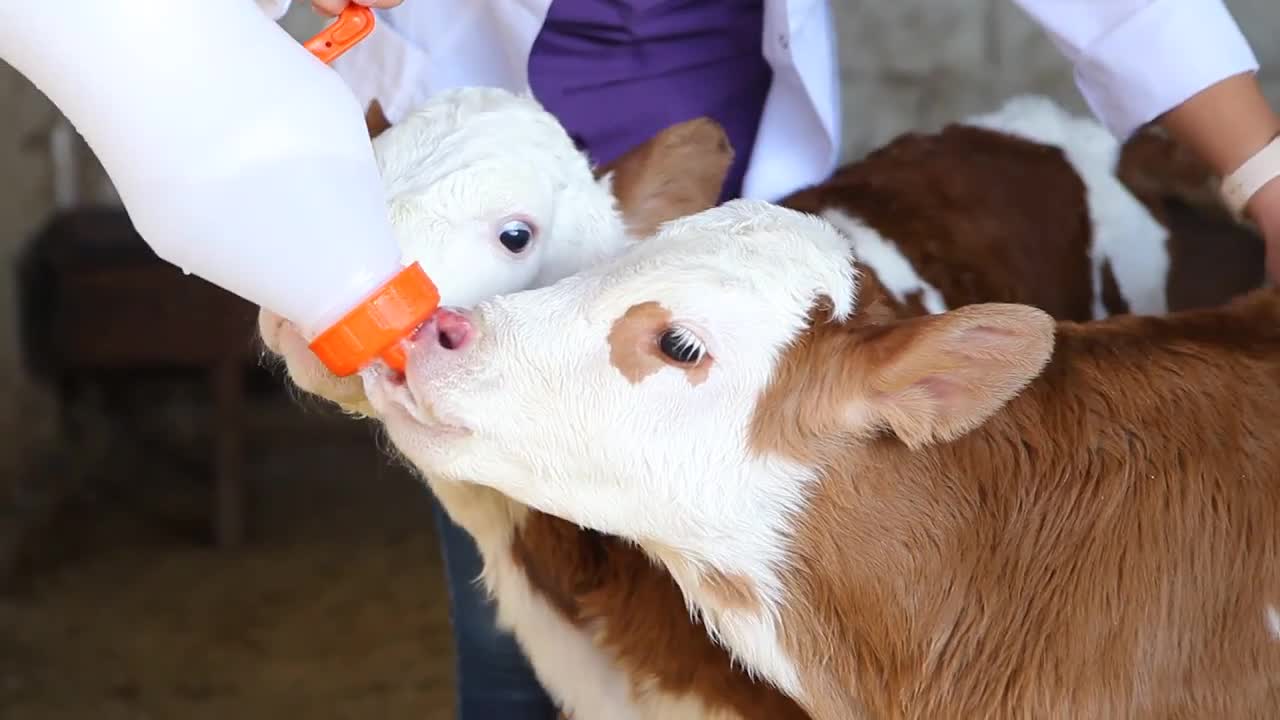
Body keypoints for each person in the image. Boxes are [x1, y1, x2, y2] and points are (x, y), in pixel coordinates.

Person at [262, 0, 1280, 717]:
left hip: (729, 239)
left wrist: (1265, 176)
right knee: (513, 639)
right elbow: (199, 45)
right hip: (487, 242)